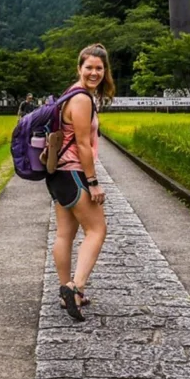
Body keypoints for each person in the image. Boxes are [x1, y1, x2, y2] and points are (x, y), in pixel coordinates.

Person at [46, 43, 115, 321]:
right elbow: (83, 146)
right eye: (89, 67)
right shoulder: (83, 99)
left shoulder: (68, 94)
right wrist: (93, 182)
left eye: (99, 68)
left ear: (105, 71)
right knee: (97, 230)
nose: (94, 73)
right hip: (75, 173)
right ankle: (76, 286)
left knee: (65, 234)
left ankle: (67, 292)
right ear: (79, 68)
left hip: (58, 175)